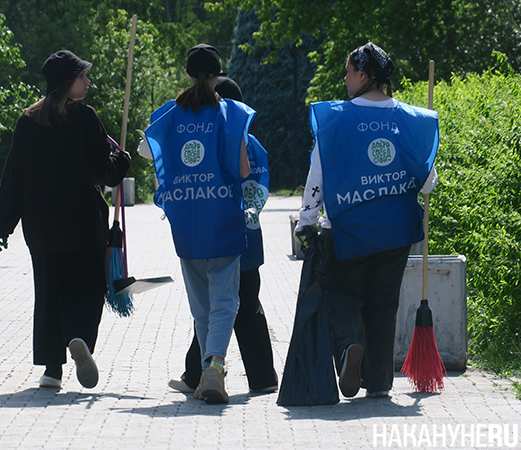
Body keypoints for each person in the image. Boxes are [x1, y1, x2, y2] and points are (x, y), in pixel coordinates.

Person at [294, 42, 439, 399]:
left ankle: (348, 347)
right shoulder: (412, 119)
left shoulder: (336, 119)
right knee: (383, 302)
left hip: (347, 230)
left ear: (362, 75)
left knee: (339, 293)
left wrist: (306, 219)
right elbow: (428, 181)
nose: (345, 77)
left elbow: (318, 173)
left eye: (348, 71)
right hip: (397, 230)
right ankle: (378, 382)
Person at [0, 50, 131, 390]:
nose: (88, 81)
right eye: (83, 76)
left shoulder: (27, 121)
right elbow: (106, 173)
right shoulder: (84, 118)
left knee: (49, 294)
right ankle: (79, 337)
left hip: (41, 229)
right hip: (83, 225)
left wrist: (2, 226)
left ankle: (52, 370)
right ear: (69, 82)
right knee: (88, 288)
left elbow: (14, 177)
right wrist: (122, 160)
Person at [142, 44, 253, 404]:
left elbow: (149, 150)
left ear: (188, 74)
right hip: (223, 220)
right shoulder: (230, 114)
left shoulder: (170, 114)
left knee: (201, 306)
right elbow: (243, 171)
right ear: (220, 74)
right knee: (225, 301)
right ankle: (214, 369)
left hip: (186, 222)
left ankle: (209, 371)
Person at [165, 77, 278, 395]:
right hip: (249, 235)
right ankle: (263, 378)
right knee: (247, 304)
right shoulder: (254, 145)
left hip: (219, 233)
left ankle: (197, 375)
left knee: (215, 307)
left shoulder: (216, 139)